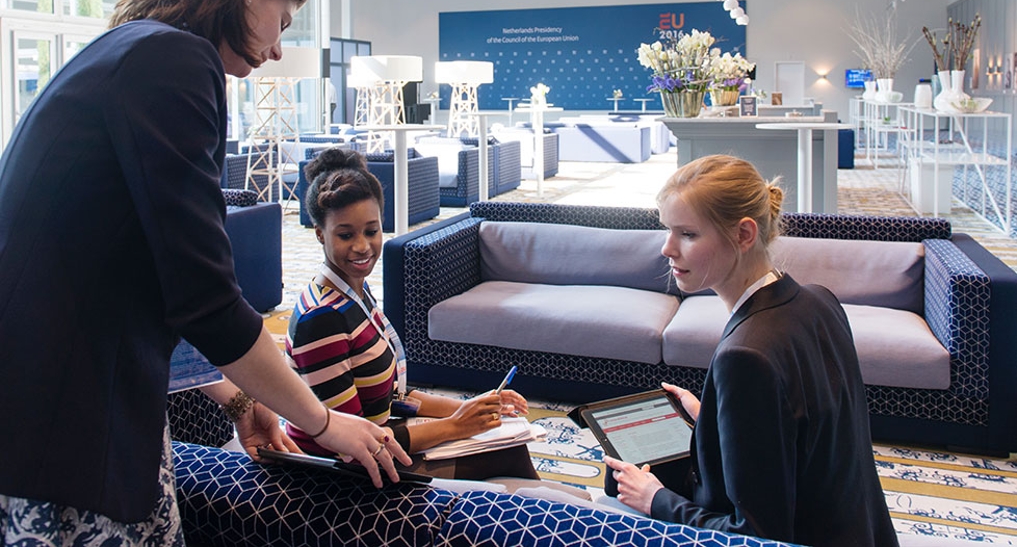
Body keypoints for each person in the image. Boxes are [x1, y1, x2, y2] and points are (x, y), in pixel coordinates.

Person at [0, 0, 410, 545]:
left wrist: (243, 402)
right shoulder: (175, 61)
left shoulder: (129, 49)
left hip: (55, 396)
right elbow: (204, 295)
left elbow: (158, 281)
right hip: (70, 416)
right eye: (283, 21)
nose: (277, 50)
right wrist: (324, 423)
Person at [604, 154, 898, 547]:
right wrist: (714, 417)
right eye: (667, 231)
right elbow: (806, 435)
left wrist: (655, 499)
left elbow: (757, 535)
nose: (666, 249)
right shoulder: (818, 301)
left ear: (744, 234)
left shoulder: (744, 358)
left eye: (687, 234)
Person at [289, 147, 540, 481]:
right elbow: (351, 447)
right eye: (346, 235)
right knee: (505, 453)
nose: (363, 246)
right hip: (348, 474)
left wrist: (476, 406)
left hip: (383, 440)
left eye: (372, 230)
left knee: (505, 440)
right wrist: (455, 426)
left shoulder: (354, 292)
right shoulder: (322, 320)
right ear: (320, 234)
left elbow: (391, 396)